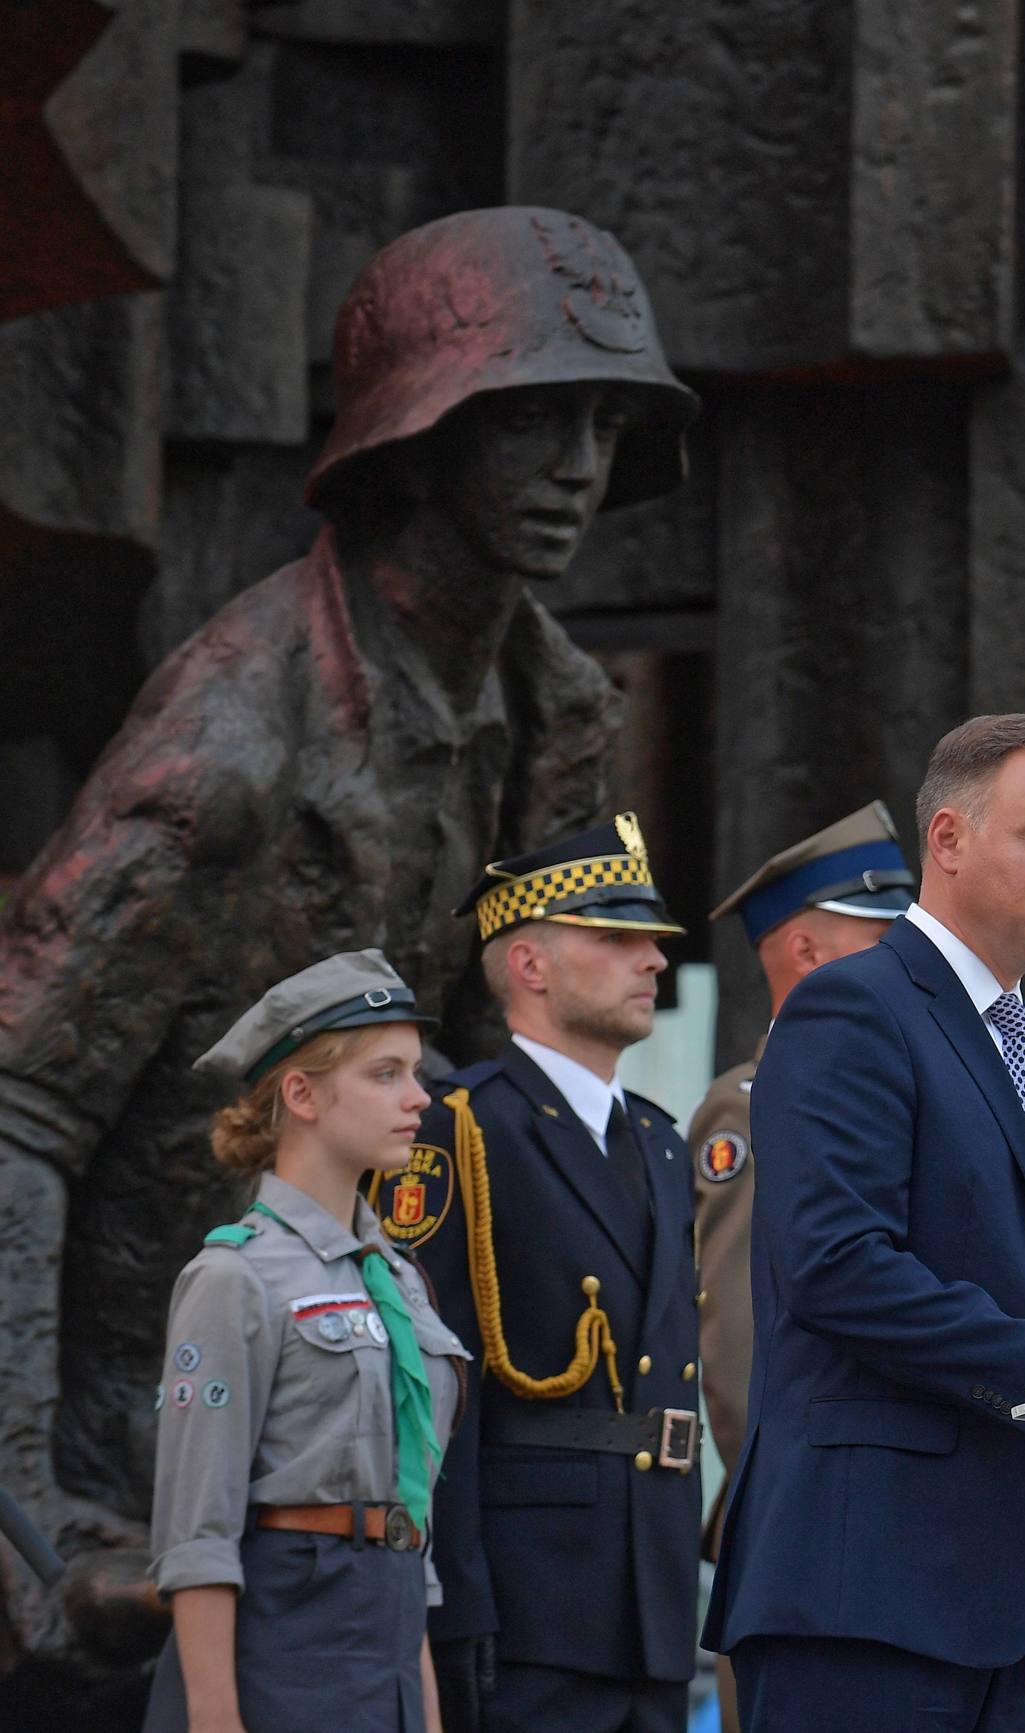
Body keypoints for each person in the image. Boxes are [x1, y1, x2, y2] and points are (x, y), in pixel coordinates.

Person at [0, 205, 694, 1668]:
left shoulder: (558, 716)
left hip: (401, 1450)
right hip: (163, 1466)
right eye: (530, 421)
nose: (577, 467)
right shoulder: (232, 737)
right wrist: (28, 1519)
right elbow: (16, 1108)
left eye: (603, 423)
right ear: (418, 441)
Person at [703, 714, 1025, 1732]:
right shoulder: (852, 1008)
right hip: (861, 1588)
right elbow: (837, 1267)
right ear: (947, 840)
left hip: (993, 1597)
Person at [388, 816, 702, 1733]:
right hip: (529, 1602)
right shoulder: (461, 1130)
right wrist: (456, 1607)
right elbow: (436, 1388)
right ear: (529, 963)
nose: (652, 960)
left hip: (650, 1594)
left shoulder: (659, 1138)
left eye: (653, 940)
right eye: (615, 938)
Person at [146, 950, 473, 1733]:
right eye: (385, 1073)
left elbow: (409, 1521)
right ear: (302, 1093)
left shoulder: (397, 1279)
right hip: (281, 1654)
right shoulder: (235, 1276)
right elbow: (198, 1537)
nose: (418, 1097)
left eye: (415, 1071)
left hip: (387, 1644)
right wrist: (215, 1720)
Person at [692, 800, 916, 1733]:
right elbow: (740, 1348)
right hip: (815, 1543)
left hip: (907, 1535)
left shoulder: (895, 1092)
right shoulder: (753, 1110)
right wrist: (809, 1506)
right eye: (883, 936)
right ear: (807, 953)